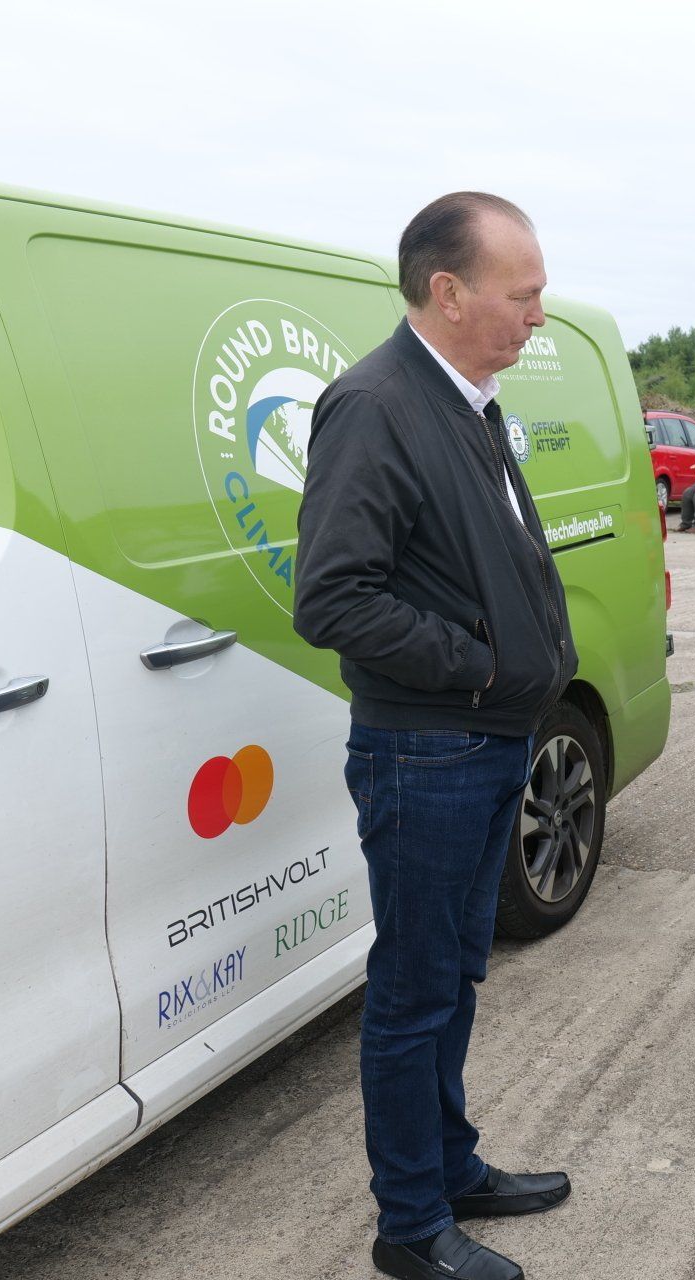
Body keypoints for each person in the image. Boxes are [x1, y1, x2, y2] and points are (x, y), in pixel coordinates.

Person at [294, 192, 577, 1280]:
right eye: (524, 293)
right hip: (430, 750)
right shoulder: (375, 404)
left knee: (455, 975)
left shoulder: (470, 398)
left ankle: (452, 1164)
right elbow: (334, 598)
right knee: (414, 993)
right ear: (448, 291)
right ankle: (410, 1224)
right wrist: (488, 666)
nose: (537, 315)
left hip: (485, 744)